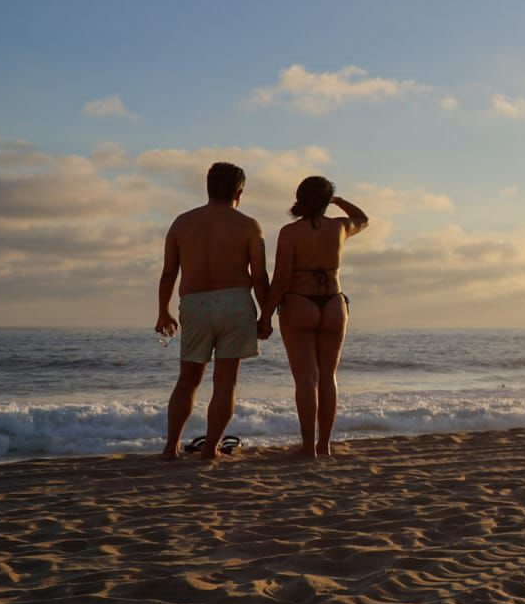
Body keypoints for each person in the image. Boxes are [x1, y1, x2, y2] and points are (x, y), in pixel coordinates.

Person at [156, 162, 270, 462]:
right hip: (235, 302)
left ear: (207, 188)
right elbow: (259, 276)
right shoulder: (248, 225)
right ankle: (210, 449)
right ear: (240, 192)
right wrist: (266, 315)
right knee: (226, 381)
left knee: (188, 380)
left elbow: (169, 273)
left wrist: (163, 312)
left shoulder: (182, 223)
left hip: (194, 302)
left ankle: (171, 448)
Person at [258, 177, 369, 458]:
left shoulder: (290, 233)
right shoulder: (340, 227)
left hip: (299, 302)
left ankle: (308, 447)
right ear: (325, 201)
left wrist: (265, 315)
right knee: (328, 376)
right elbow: (362, 218)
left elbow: (282, 278)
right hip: (333, 302)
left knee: (306, 379)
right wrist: (338, 201)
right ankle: (325, 445)